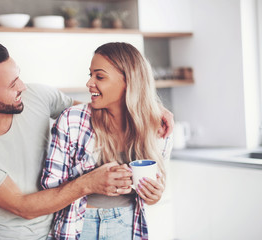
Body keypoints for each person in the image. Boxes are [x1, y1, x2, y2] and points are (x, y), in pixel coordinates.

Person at [0, 41, 173, 240]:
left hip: (69, 223)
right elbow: (22, 207)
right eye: (12, 84)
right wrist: (89, 182)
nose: (23, 86)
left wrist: (150, 110)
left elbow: (97, 110)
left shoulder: (35, 96)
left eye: (18, 77)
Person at [41, 42, 173, 240]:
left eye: (99, 76)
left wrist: (154, 196)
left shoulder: (158, 127)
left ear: (129, 81)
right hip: (78, 224)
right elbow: (49, 188)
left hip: (127, 224)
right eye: (90, 75)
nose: (89, 83)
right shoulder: (72, 120)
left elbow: (154, 186)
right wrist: (90, 182)